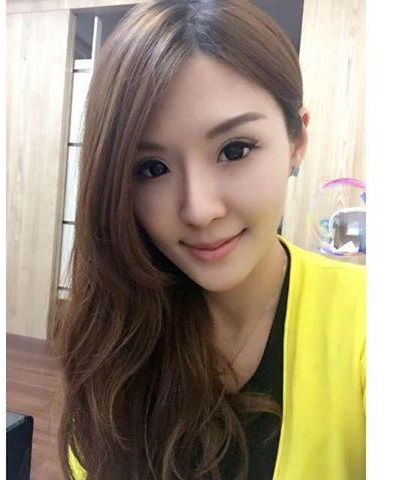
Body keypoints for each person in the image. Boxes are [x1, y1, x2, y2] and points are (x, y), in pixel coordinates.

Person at [55, 1, 366, 479]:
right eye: (152, 168)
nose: (199, 210)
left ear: (296, 142)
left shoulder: (367, 321)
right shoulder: (117, 329)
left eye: (234, 150)